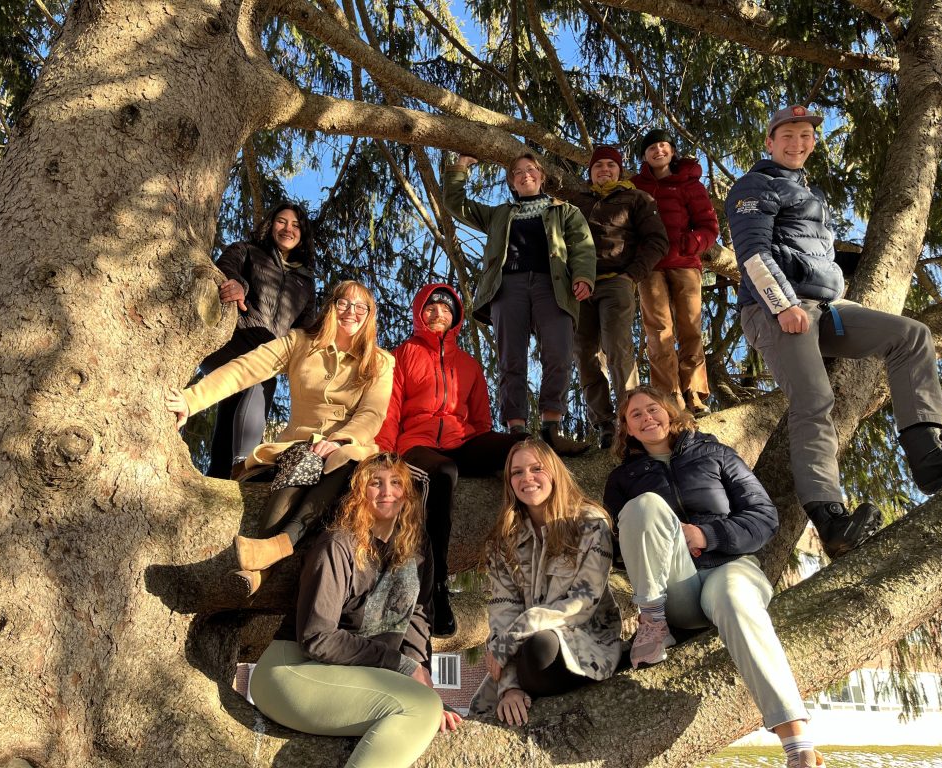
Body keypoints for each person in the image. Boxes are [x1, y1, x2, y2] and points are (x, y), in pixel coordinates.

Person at [725, 104, 942, 558]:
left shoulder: (810, 193)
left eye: (806, 136)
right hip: (776, 309)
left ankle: (930, 456)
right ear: (769, 142)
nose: (798, 143)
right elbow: (753, 252)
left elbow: (813, 255)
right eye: (788, 135)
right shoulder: (756, 184)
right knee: (815, 401)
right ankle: (830, 518)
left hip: (826, 307)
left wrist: (846, 269)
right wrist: (782, 305)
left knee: (911, 335)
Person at [604, 386, 823, 768]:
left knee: (736, 601)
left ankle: (797, 744)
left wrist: (705, 535)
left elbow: (763, 516)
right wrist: (660, 538)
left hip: (730, 568)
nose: (646, 417)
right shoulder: (623, 479)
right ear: (628, 430)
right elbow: (621, 551)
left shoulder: (716, 454)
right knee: (645, 506)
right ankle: (652, 622)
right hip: (675, 590)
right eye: (634, 415)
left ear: (671, 413)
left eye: (652, 408)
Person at [165, 281, 394, 595]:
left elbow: (372, 413)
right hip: (296, 446)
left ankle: (267, 557)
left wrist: (340, 440)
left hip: (350, 447)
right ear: (332, 306)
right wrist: (192, 400)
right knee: (306, 457)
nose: (351, 312)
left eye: (361, 307)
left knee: (342, 460)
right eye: (344, 303)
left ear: (369, 316)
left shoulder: (381, 362)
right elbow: (246, 369)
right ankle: (261, 563)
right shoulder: (300, 342)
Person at [248, 453, 462, 768]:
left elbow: (418, 615)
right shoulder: (337, 545)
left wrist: (421, 682)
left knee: (424, 708)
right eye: (375, 483)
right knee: (418, 710)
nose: (387, 492)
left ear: (408, 493)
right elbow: (318, 638)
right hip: (292, 671)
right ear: (360, 492)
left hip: (353, 674)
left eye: (396, 483)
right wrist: (402, 669)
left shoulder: (418, 547)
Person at [376, 283, 522, 638]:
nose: (438, 313)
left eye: (445, 308)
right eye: (430, 307)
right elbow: (390, 409)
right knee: (443, 473)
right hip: (417, 445)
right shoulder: (402, 355)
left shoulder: (469, 364)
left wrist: (486, 444)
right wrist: (383, 453)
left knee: (523, 447)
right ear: (419, 313)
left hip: (461, 439)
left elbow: (482, 421)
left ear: (455, 316)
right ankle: (436, 586)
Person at [443, 152, 597, 455]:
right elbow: (456, 205)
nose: (525, 175)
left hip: (551, 287)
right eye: (518, 172)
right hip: (506, 288)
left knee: (559, 353)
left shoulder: (564, 211)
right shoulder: (500, 213)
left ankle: (552, 426)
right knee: (511, 359)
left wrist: (583, 276)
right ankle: (517, 430)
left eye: (530, 170)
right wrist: (459, 169)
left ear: (541, 175)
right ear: (512, 182)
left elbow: (582, 245)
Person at [469, 439, 623, 725]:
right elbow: (503, 613)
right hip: (524, 658)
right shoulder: (503, 542)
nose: (526, 478)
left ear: (554, 472)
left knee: (542, 646)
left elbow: (581, 603)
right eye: (517, 472)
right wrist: (510, 687)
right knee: (486, 707)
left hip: (582, 643)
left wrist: (514, 635)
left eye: (536, 468)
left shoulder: (591, 524)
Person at [200, 201, 317, 479]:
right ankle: (244, 462)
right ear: (270, 225)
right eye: (282, 221)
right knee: (261, 377)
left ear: (303, 234)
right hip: (231, 338)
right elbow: (225, 267)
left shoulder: (306, 282)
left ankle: (218, 474)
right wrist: (239, 284)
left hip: (269, 349)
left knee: (234, 403)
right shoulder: (248, 250)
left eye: (296, 225)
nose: (288, 228)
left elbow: (306, 328)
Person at [571, 145, 669, 448]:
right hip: (578, 287)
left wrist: (632, 274)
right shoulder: (576, 201)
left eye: (610, 166)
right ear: (590, 172)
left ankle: (632, 417)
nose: (604, 170)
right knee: (585, 355)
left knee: (617, 349)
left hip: (616, 281)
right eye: (598, 166)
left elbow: (657, 241)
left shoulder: (637, 198)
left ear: (619, 170)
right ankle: (604, 423)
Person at [631, 131, 719, 416]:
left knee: (690, 327)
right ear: (644, 156)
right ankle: (668, 396)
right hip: (650, 267)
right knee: (658, 332)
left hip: (684, 263)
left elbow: (708, 225)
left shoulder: (690, 184)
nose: (658, 150)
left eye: (663, 145)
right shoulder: (634, 187)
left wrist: (690, 244)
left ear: (672, 151)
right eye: (651, 147)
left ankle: (693, 393)